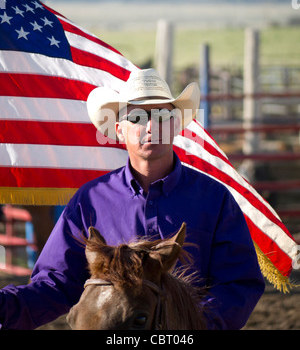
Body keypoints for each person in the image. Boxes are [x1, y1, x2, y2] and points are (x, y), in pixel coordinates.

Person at [0, 68, 265, 330]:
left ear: (175, 126)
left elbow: (238, 283)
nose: (150, 127)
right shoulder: (90, 200)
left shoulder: (214, 199)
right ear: (119, 130)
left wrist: (191, 325)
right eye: (136, 117)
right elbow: (57, 283)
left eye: (162, 116)